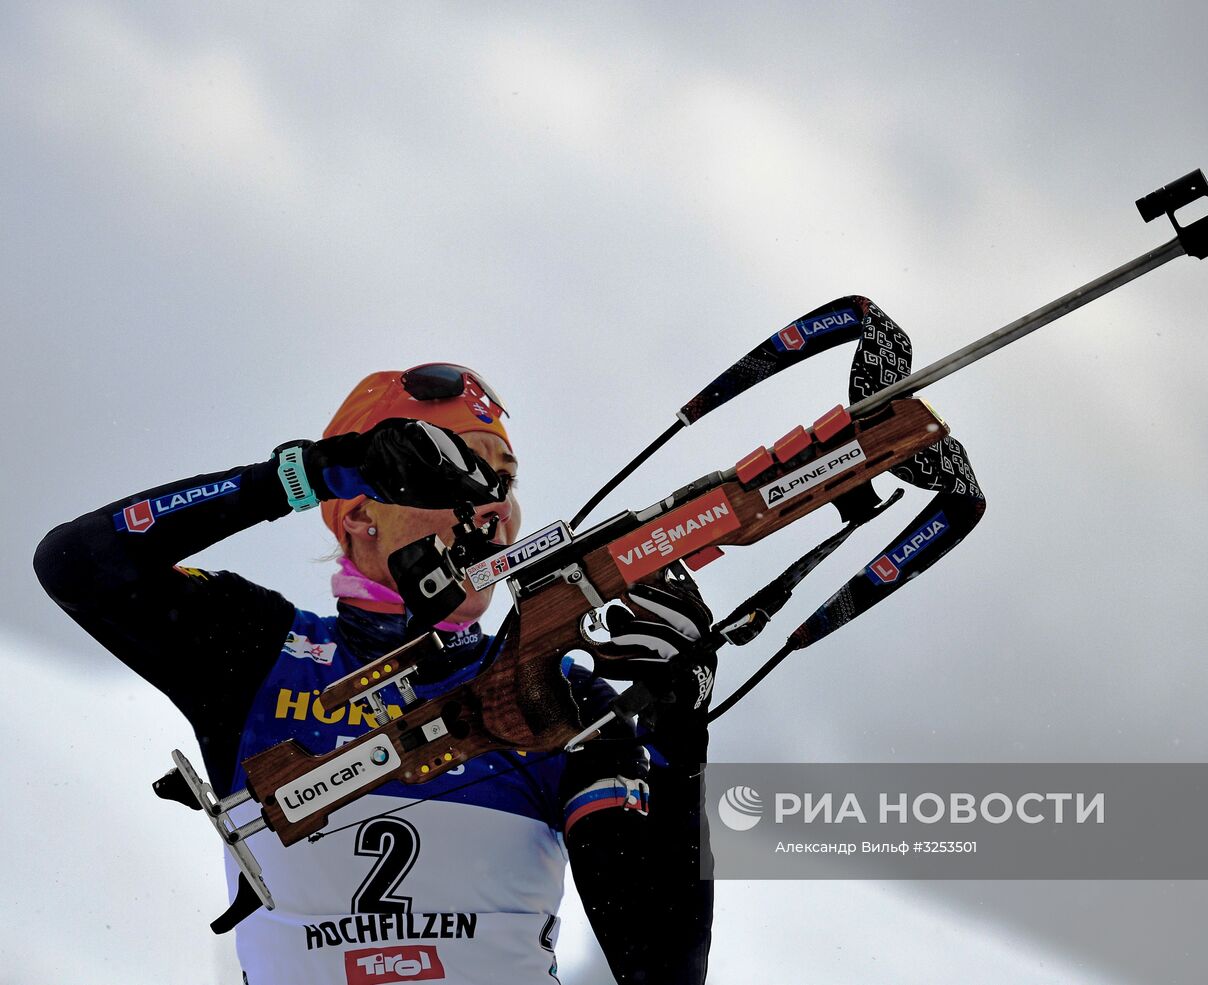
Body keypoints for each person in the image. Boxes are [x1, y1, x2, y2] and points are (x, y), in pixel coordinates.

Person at [33, 363, 715, 984]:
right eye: (462, 475)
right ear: (359, 510)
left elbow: (660, 968)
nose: (493, 505)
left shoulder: (552, 691)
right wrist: (307, 474)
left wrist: (680, 742)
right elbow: (74, 564)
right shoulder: (258, 653)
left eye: (503, 480)